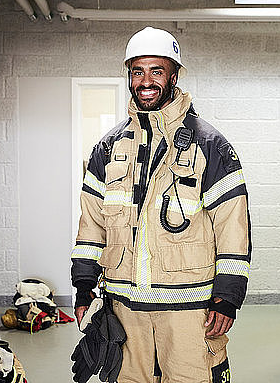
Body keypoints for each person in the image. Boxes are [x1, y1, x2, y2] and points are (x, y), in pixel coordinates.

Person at [70, 26, 252, 383]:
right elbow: (91, 225)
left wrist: (227, 297)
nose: (146, 81)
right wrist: (83, 287)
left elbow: (233, 226)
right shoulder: (107, 148)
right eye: (138, 71)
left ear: (174, 75)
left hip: (189, 311)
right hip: (124, 309)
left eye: (157, 70)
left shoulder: (210, 145)